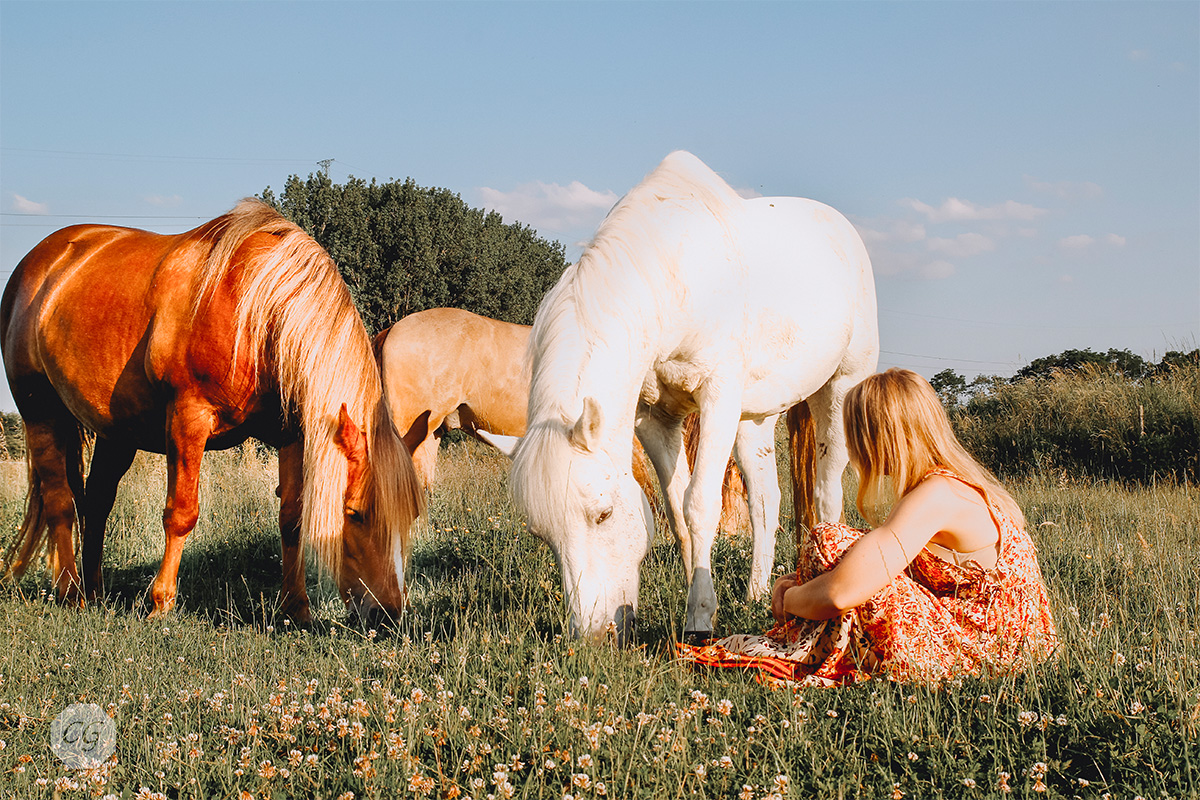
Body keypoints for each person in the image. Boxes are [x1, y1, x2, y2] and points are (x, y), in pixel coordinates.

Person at [676, 369, 1057, 687]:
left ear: (883, 438)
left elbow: (843, 593)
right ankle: (808, 644)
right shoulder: (953, 485)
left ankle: (801, 649)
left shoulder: (938, 493)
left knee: (831, 542)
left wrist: (787, 600)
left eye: (856, 437)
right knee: (846, 552)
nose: (852, 452)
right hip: (1008, 646)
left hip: (984, 651)